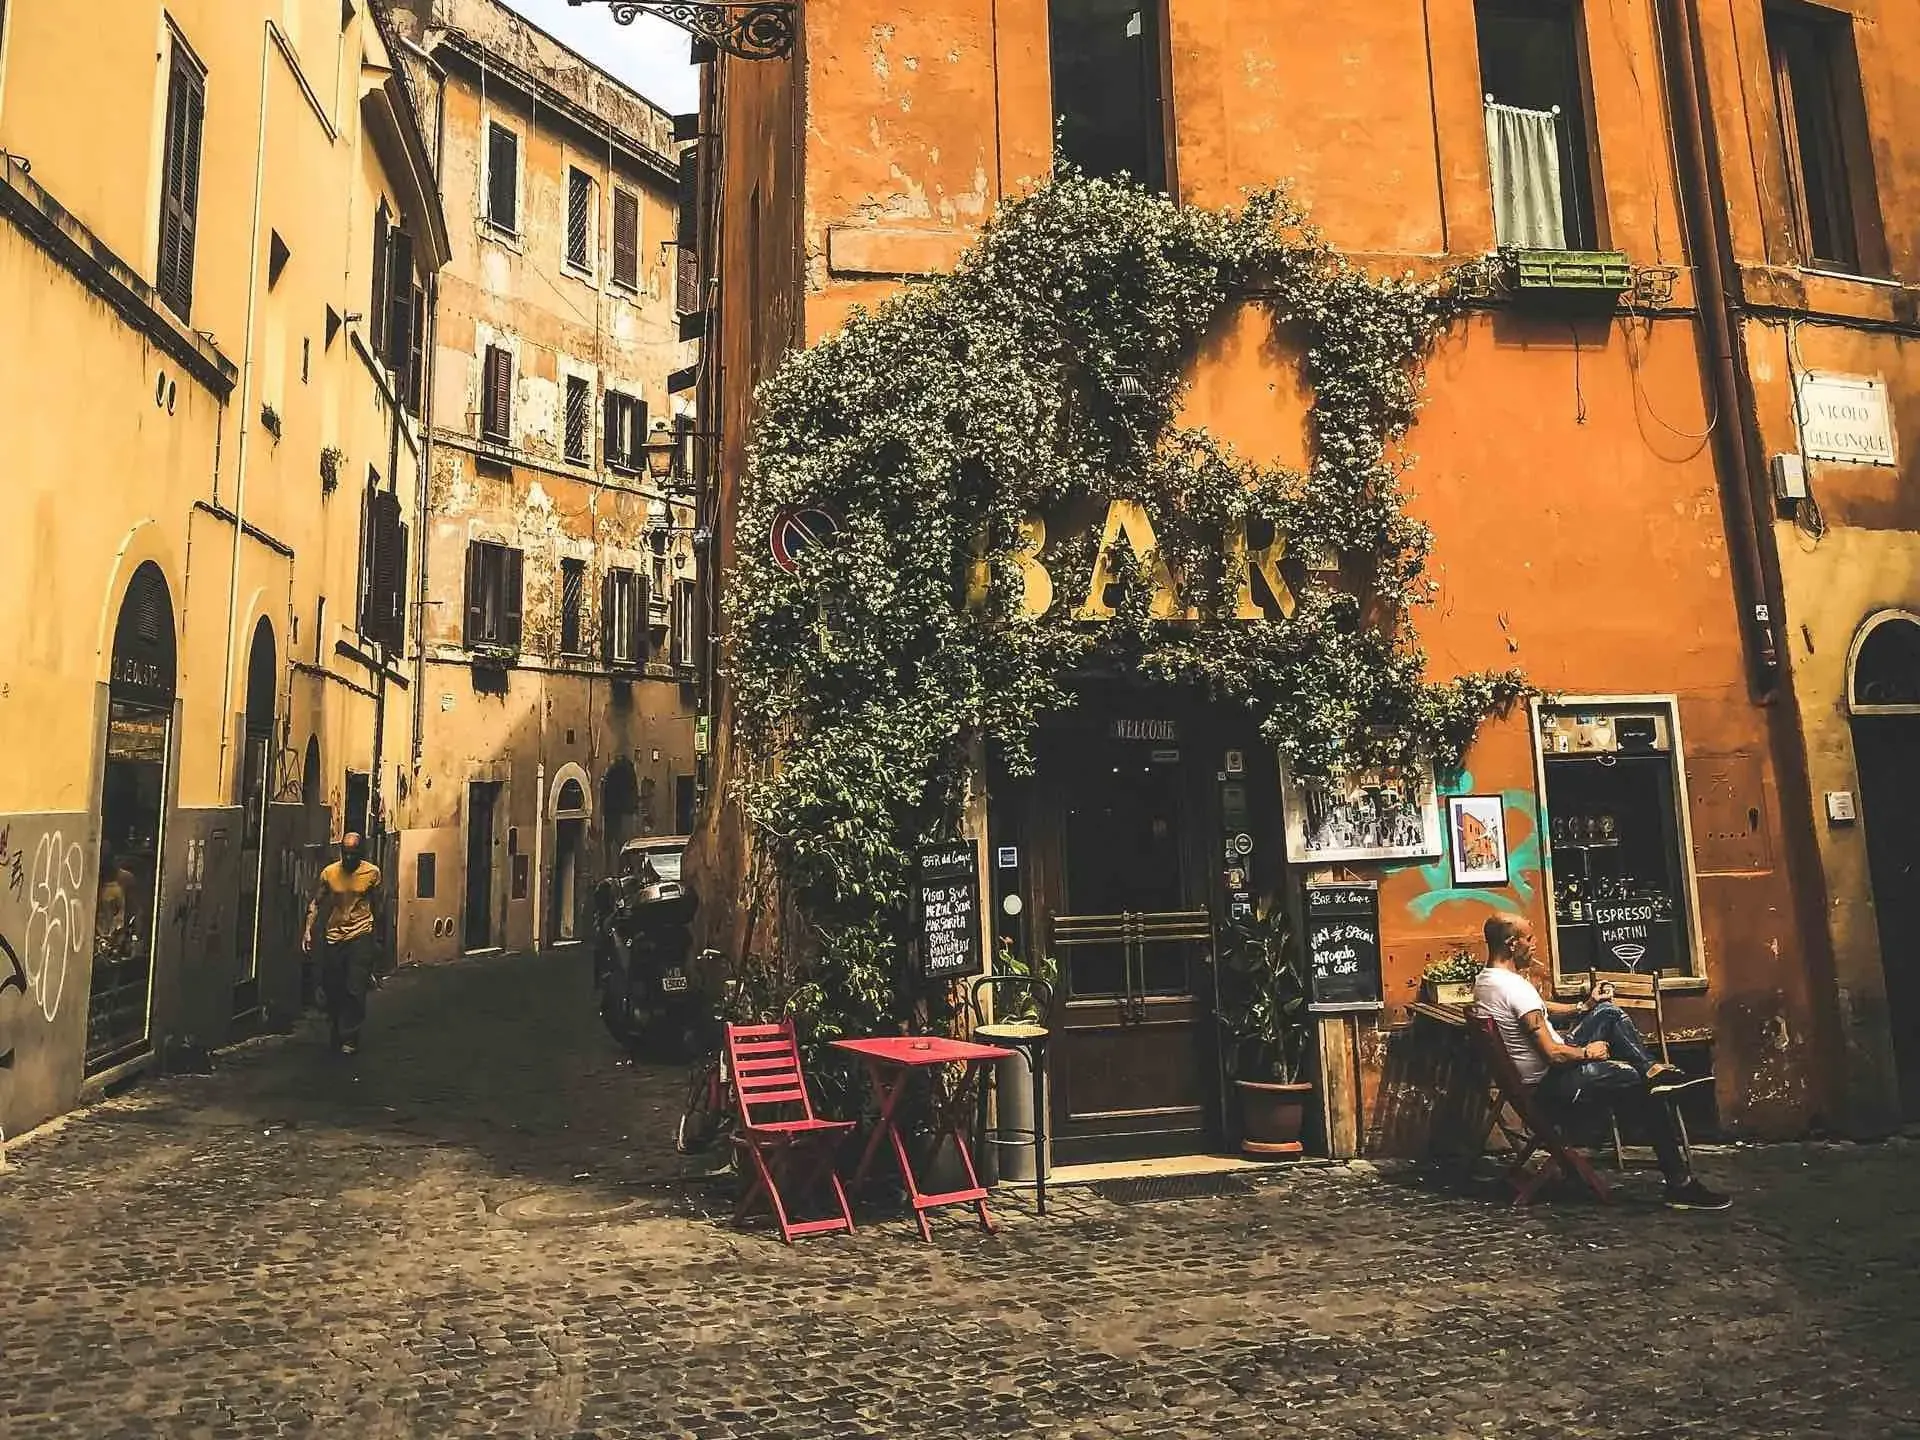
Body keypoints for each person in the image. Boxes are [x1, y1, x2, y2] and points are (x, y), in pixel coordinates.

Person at [1472, 913, 1728, 1211]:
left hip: (1535, 1083)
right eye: (1529, 939)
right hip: (1553, 1087)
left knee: (1607, 1011)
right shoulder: (1515, 988)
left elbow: (1538, 1010)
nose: (1534, 944)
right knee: (1639, 1084)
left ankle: (1653, 1071)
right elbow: (1553, 1054)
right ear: (1512, 944)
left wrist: (1585, 1006)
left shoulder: (1487, 982)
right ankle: (1680, 1183)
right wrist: (1588, 1053)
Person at [304, 833, 383, 1055]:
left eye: (353, 854)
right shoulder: (329, 873)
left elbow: (378, 904)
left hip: (361, 934)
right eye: (345, 853)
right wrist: (307, 931)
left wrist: (377, 937)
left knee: (354, 988)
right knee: (334, 987)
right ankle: (337, 1028)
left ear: (360, 853)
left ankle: (350, 1036)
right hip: (335, 937)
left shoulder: (372, 873)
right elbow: (316, 902)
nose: (348, 858)